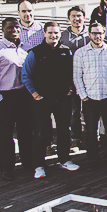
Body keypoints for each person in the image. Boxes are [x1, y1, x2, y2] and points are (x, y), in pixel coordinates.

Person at [21, 21, 79, 178]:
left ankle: (65, 160)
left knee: (64, 130)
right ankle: (39, 165)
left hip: (62, 99)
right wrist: (34, 94)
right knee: (40, 132)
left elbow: (71, 74)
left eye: (56, 33)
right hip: (41, 100)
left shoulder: (66, 51)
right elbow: (25, 75)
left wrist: (69, 90)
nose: (53, 36)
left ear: (60, 34)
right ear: (44, 34)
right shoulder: (35, 53)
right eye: (50, 33)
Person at [0, 18, 33, 180]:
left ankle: (27, 162)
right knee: (6, 134)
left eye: (16, 28)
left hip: (24, 95)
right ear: (3, 29)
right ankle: (6, 168)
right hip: (6, 97)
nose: (14, 31)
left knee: (26, 131)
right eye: (10, 28)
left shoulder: (27, 48)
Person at [72, 22, 107, 169]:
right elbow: (77, 76)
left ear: (104, 33)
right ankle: (92, 158)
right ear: (89, 34)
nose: (97, 36)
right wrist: (83, 95)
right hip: (90, 98)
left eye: (100, 33)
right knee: (90, 130)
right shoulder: (80, 53)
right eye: (94, 33)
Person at [61, 5, 89, 148]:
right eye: (73, 16)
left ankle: (92, 138)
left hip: (89, 79)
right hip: (71, 80)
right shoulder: (63, 36)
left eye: (79, 16)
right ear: (68, 18)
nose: (76, 19)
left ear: (84, 18)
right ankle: (75, 139)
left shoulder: (90, 35)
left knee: (90, 111)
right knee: (74, 111)